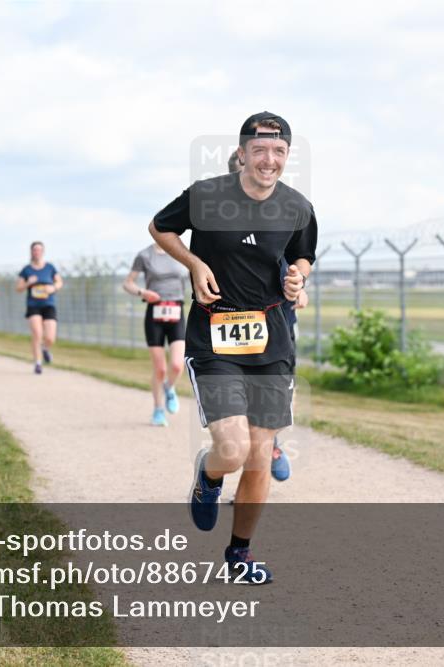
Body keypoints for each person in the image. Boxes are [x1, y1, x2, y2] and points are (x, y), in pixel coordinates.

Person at [149, 111, 317, 584]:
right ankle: (209, 474)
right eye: (259, 149)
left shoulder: (298, 207)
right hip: (215, 338)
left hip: (272, 342)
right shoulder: (206, 196)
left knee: (261, 453)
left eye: (279, 151)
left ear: (287, 156)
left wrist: (298, 276)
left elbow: (304, 254)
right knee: (233, 448)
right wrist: (194, 263)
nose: (269, 159)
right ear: (242, 153)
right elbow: (160, 227)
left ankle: (240, 554)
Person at [227, 150, 306, 483]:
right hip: (232, 322)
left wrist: (299, 284)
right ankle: (247, 453)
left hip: (278, 319)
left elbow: (297, 259)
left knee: (280, 390)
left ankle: (272, 442)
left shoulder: (282, 213)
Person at [122, 243, 188, 426]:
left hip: (176, 310)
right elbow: (127, 283)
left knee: (177, 365)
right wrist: (143, 292)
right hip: (155, 313)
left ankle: (169, 387)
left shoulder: (181, 251)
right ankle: (158, 410)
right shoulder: (145, 255)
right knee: (160, 369)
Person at [16, 241, 63, 375]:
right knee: (37, 334)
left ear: (43, 252)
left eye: (39, 250)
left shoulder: (50, 267)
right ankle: (37, 363)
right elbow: (18, 288)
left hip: (48, 304)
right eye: (34, 250)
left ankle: (45, 349)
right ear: (31, 252)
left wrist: (53, 288)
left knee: (50, 337)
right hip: (33, 306)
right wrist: (28, 283)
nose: (37, 252)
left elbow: (59, 282)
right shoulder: (26, 270)